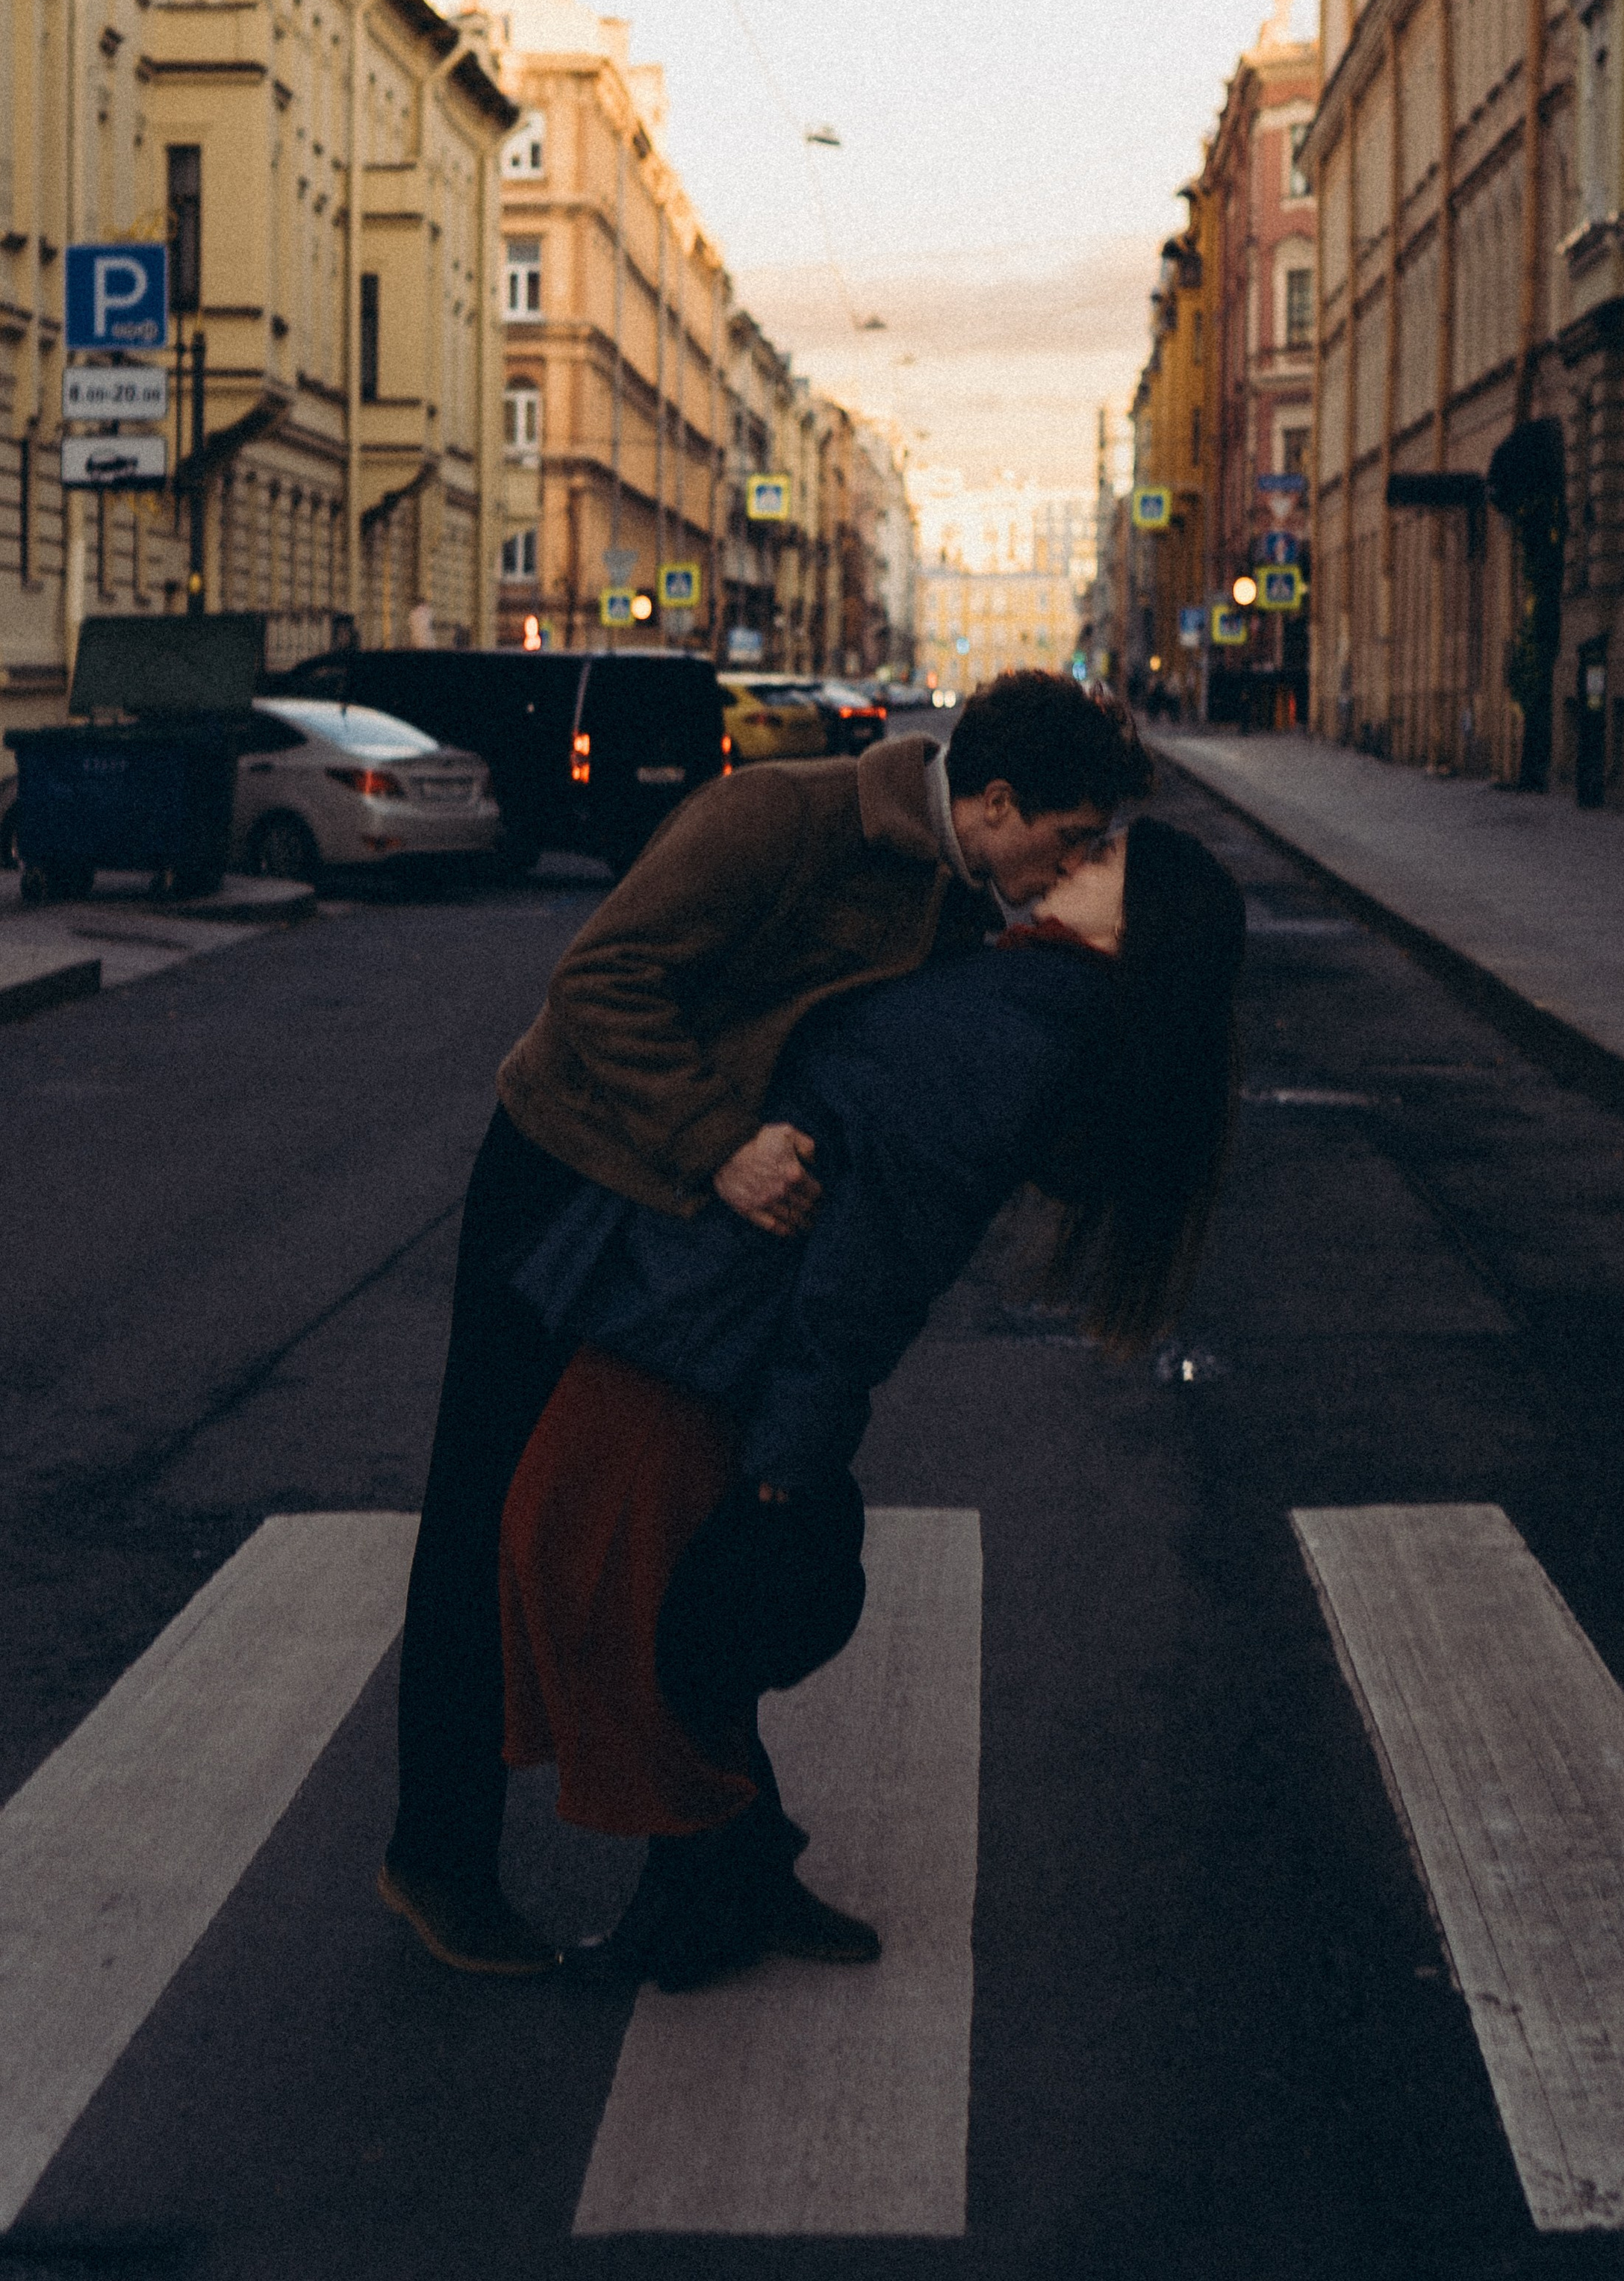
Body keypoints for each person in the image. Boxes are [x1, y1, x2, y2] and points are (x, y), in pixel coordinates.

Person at [380, 672, 1152, 1974]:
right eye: (1069, 837)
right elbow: (598, 985)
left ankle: (729, 1860)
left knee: (701, 1542)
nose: (1072, 865)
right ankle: (438, 1860)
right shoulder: (779, 819)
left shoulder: (961, 896)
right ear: (995, 801)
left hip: (697, 1239)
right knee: (486, 1515)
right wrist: (721, 1144)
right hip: (569, 1173)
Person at [494, 813, 1248, 1992]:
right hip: (707, 1302)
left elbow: (875, 1262)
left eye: (1101, 860)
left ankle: (700, 1889)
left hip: (711, 1322)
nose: (1070, 863)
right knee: (643, 1587)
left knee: (586, 1570)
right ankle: (737, 1869)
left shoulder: (1025, 1033)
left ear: (1141, 927)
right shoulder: (1031, 994)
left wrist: (791, 1457)